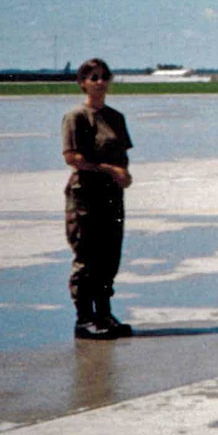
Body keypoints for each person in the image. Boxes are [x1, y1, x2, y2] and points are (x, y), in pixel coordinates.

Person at [62, 57, 133, 341]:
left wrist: (124, 175)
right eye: (93, 77)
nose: (100, 82)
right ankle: (84, 317)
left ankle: (104, 312)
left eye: (104, 76)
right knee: (87, 256)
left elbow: (122, 155)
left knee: (109, 256)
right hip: (86, 195)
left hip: (112, 196)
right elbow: (73, 158)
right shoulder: (76, 117)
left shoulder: (116, 118)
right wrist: (109, 170)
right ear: (82, 84)